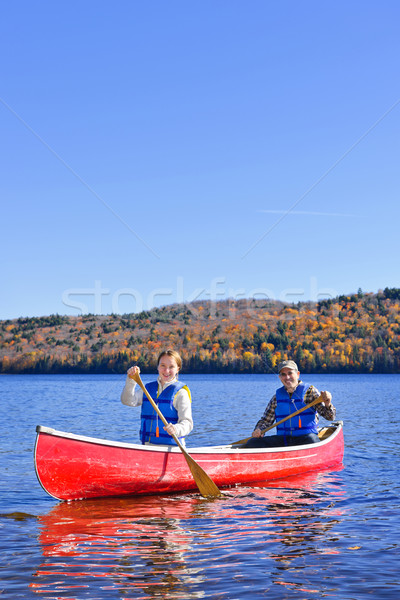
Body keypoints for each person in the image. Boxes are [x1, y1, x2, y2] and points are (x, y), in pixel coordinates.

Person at [244, 360, 336, 448]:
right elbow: (266, 421)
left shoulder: (310, 392)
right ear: (280, 377)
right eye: (283, 374)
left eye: (290, 373)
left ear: (297, 374)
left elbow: (330, 417)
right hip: (283, 440)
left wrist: (328, 403)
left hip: (306, 439)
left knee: (312, 440)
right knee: (252, 443)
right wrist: (258, 430)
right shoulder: (276, 397)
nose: (287, 377)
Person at [121, 349, 193, 446]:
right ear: (158, 367)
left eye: (171, 367)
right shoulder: (148, 389)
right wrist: (131, 380)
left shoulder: (181, 393)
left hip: (172, 449)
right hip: (147, 447)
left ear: (177, 369)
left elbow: (188, 423)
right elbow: (127, 401)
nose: (166, 371)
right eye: (163, 365)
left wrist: (176, 429)